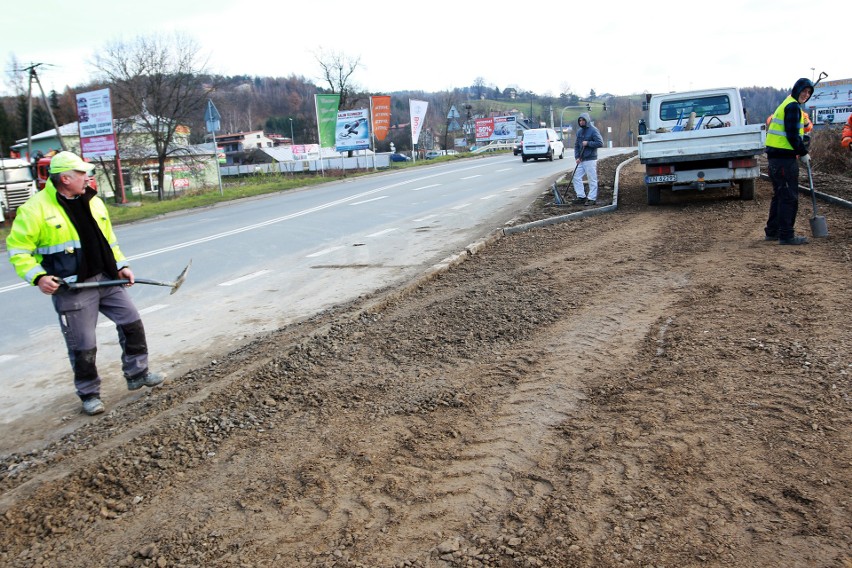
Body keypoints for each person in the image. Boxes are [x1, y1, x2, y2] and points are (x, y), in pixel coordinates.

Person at [6, 151, 164, 416]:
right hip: (74, 288)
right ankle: (89, 393)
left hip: (107, 277)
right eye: (82, 173)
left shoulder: (94, 201)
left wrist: (121, 265)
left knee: (131, 322)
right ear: (65, 178)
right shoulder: (34, 210)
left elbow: (109, 240)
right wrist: (38, 276)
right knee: (83, 344)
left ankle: (138, 373)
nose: (87, 177)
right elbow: (18, 251)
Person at [763, 78, 814, 245]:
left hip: (775, 159)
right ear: (796, 90)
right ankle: (786, 235)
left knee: (780, 195)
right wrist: (803, 152)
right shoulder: (792, 107)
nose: (806, 95)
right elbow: (792, 135)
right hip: (784, 160)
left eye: (809, 92)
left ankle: (772, 231)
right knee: (789, 198)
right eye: (804, 91)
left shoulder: (787, 103)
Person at [571, 113, 604, 206]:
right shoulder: (579, 132)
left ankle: (592, 198)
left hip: (590, 159)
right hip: (581, 159)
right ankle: (581, 196)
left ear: (587, 120)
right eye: (580, 120)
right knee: (575, 175)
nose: (581, 122)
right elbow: (576, 145)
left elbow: (600, 143)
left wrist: (588, 143)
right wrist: (577, 157)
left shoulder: (593, 130)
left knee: (592, 178)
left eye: (583, 120)